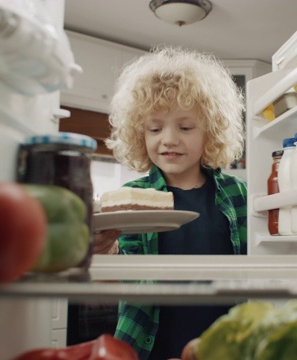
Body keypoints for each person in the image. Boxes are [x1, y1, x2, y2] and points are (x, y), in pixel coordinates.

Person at [98, 45, 247, 360]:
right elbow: (121, 281)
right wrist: (103, 249)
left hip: (225, 347)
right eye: (154, 128)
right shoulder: (132, 198)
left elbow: (253, 270)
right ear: (140, 133)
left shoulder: (237, 194)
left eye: (185, 127)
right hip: (146, 346)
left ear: (211, 131)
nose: (168, 139)